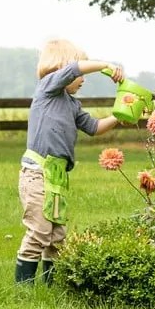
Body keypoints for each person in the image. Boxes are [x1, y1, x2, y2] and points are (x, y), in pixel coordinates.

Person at [14, 39, 125, 285]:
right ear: (61, 67)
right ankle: (23, 289)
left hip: (57, 176)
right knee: (39, 231)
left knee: (56, 236)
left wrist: (120, 115)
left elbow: (94, 127)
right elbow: (74, 70)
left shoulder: (72, 104)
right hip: (37, 173)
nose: (83, 79)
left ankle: (50, 285)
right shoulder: (48, 88)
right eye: (80, 73)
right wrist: (105, 65)